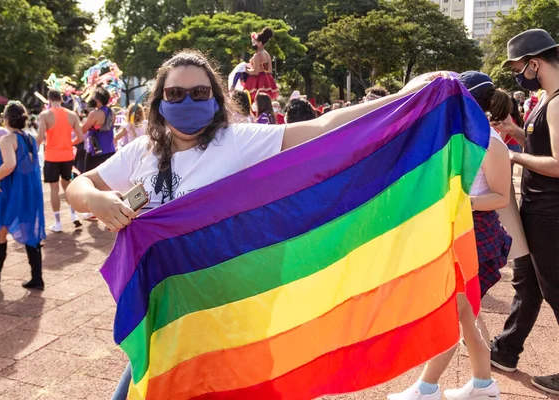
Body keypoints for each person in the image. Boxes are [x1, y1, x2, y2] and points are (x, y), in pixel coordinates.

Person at [65, 49, 436, 400]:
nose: (187, 102)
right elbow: (80, 185)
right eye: (175, 93)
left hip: (229, 310)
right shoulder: (142, 151)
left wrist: (401, 97)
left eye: (199, 92)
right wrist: (98, 200)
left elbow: (323, 126)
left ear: (215, 98)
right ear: (160, 100)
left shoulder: (236, 142)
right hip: (161, 318)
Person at [388, 71, 512, 400]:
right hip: (456, 233)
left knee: (453, 314)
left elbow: (501, 197)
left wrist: (459, 202)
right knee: (469, 315)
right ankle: (484, 385)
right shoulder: (459, 135)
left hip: (476, 238)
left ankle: (426, 388)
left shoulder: (492, 142)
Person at [489, 28, 559, 395]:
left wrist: (511, 153)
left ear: (534, 63)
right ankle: (506, 350)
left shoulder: (558, 101)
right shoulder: (548, 100)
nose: (518, 74)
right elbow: (543, 144)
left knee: (555, 289)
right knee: (528, 283)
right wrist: (516, 132)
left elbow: (558, 163)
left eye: (519, 67)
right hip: (539, 207)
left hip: (549, 211)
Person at [0, 101, 46, 290]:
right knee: (29, 231)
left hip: (11, 190)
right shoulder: (30, 138)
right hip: (28, 190)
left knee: (0, 229)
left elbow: (10, 164)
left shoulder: (8, 139)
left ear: (6, 119)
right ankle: (36, 277)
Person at [37, 89, 84, 232]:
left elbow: (39, 139)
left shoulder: (45, 115)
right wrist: (69, 143)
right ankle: (74, 215)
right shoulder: (72, 115)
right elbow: (80, 138)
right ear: (62, 99)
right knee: (67, 186)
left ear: (49, 100)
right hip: (67, 156)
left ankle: (58, 223)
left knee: (54, 189)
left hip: (52, 156)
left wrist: (32, 150)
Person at [81, 87, 116, 172]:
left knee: (90, 179)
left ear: (97, 100)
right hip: (110, 150)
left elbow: (83, 130)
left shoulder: (95, 114)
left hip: (96, 152)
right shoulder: (112, 112)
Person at [243, 27, 279, 101]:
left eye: (255, 42)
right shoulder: (266, 54)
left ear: (259, 43)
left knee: (254, 102)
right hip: (266, 80)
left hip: (256, 82)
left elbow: (255, 72)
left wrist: (245, 70)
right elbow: (267, 70)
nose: (253, 44)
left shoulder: (257, 55)